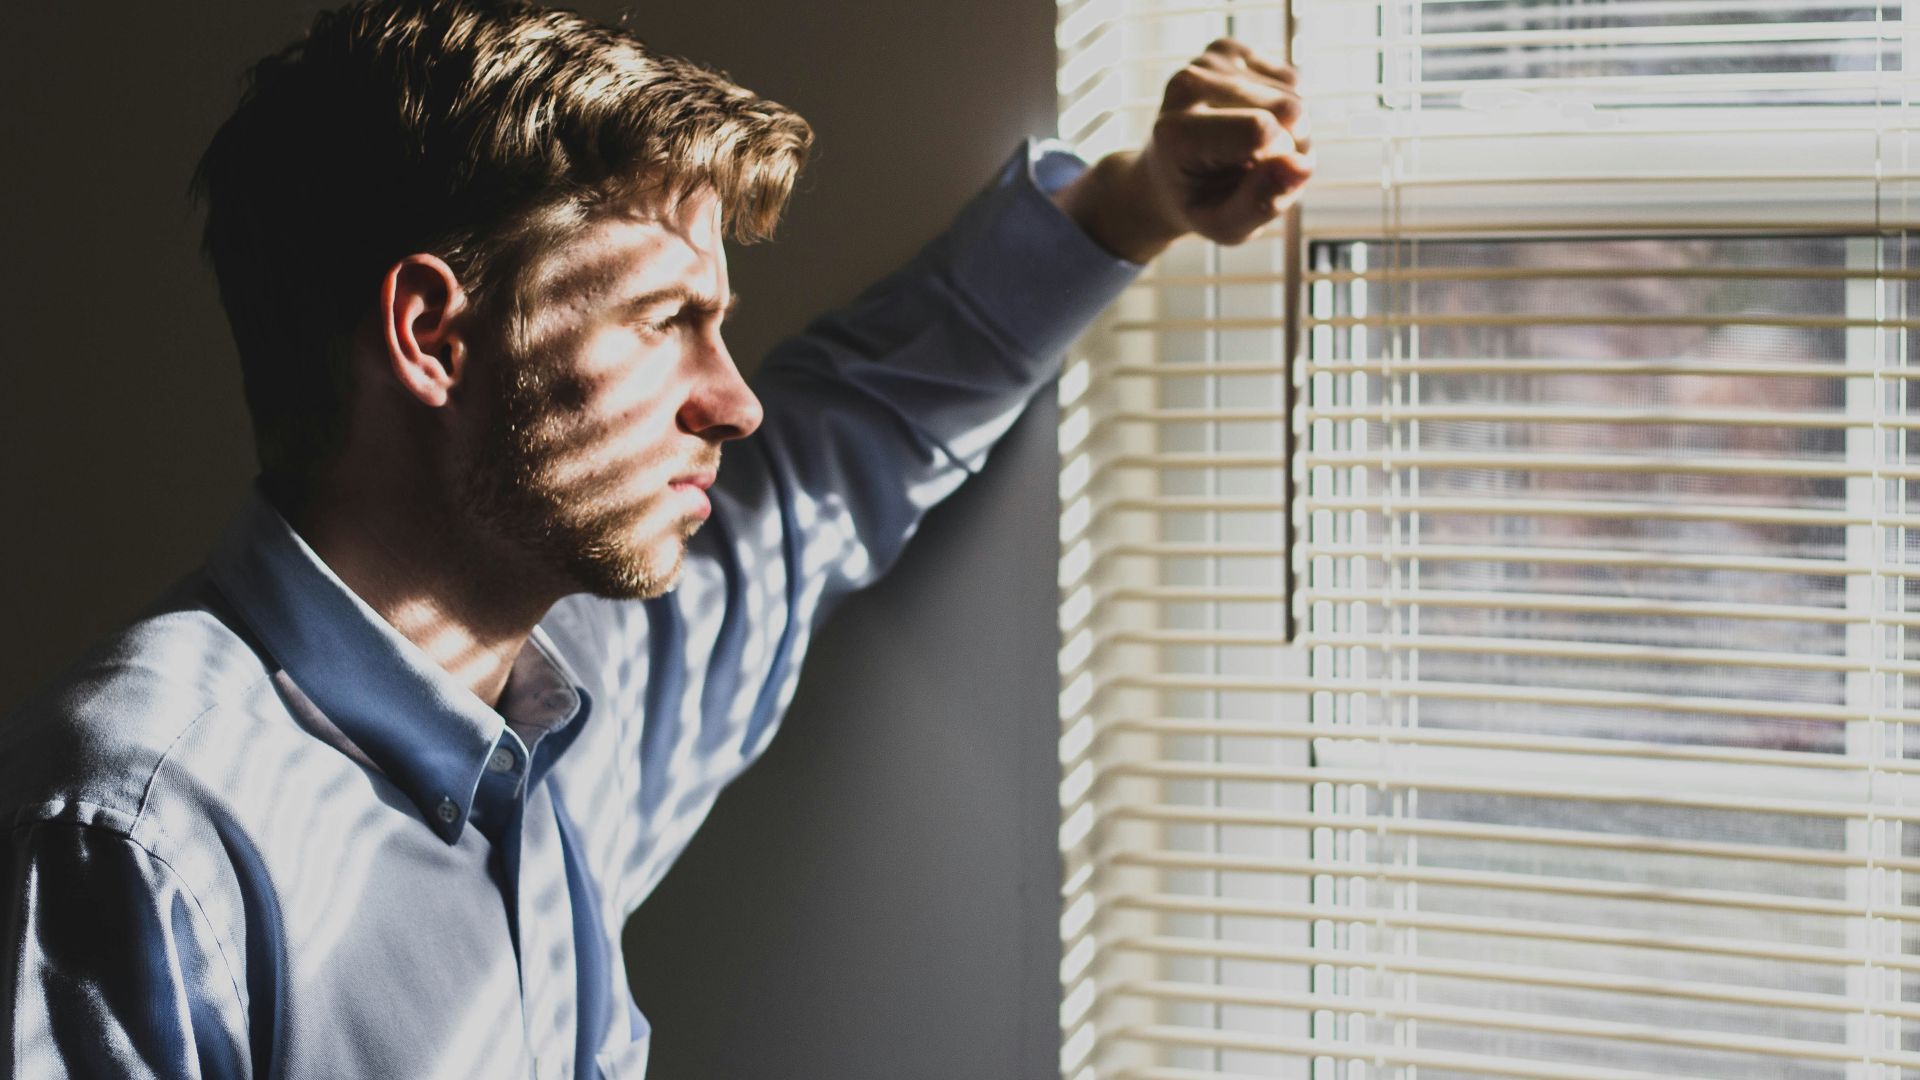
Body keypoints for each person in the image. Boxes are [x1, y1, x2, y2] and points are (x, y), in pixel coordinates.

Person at [0, 1, 1310, 1076]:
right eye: (663, 320)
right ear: (434, 336)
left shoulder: (585, 693)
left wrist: (1138, 203)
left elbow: (848, 438)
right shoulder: (140, 836)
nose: (734, 400)